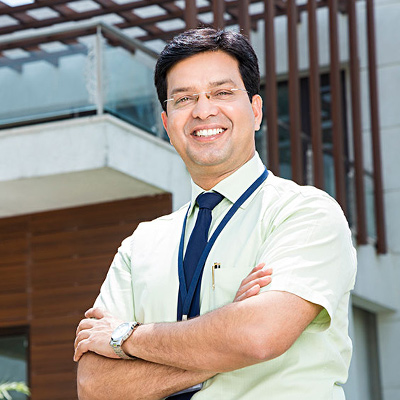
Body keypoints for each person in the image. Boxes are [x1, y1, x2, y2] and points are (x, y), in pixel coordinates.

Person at [74, 28, 357, 400]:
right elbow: (95, 386)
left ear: (256, 111)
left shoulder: (305, 213)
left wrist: (124, 336)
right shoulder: (140, 245)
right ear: (167, 124)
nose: (203, 110)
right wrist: (225, 335)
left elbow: (257, 336)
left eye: (222, 93)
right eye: (184, 98)